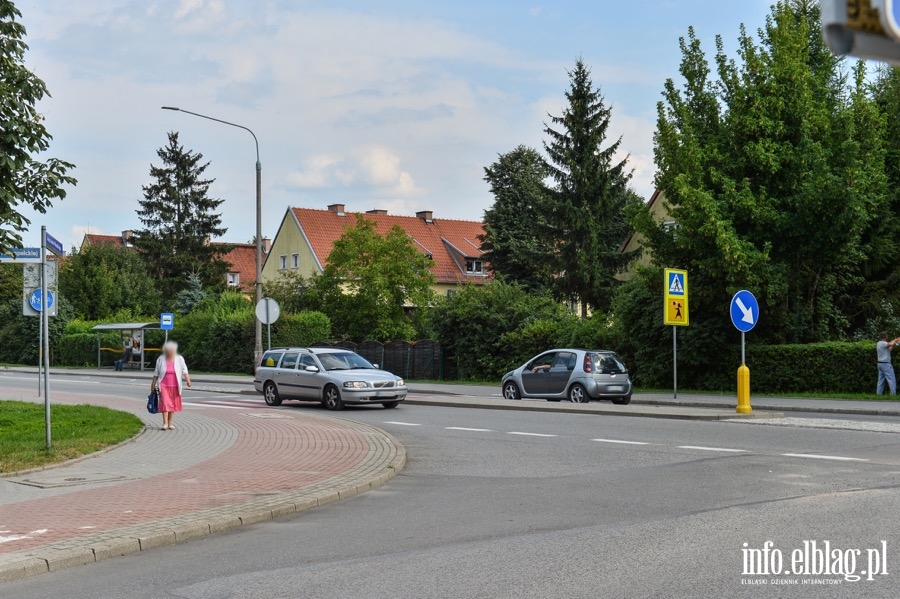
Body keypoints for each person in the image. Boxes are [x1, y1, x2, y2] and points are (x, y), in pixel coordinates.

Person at [151, 341, 191, 430]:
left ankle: (170, 423)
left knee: (172, 404)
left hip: (175, 385)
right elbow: (156, 372)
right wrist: (153, 384)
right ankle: (165, 423)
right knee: (165, 402)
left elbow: (185, 370)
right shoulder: (161, 359)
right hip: (163, 385)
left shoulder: (179, 358)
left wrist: (188, 380)